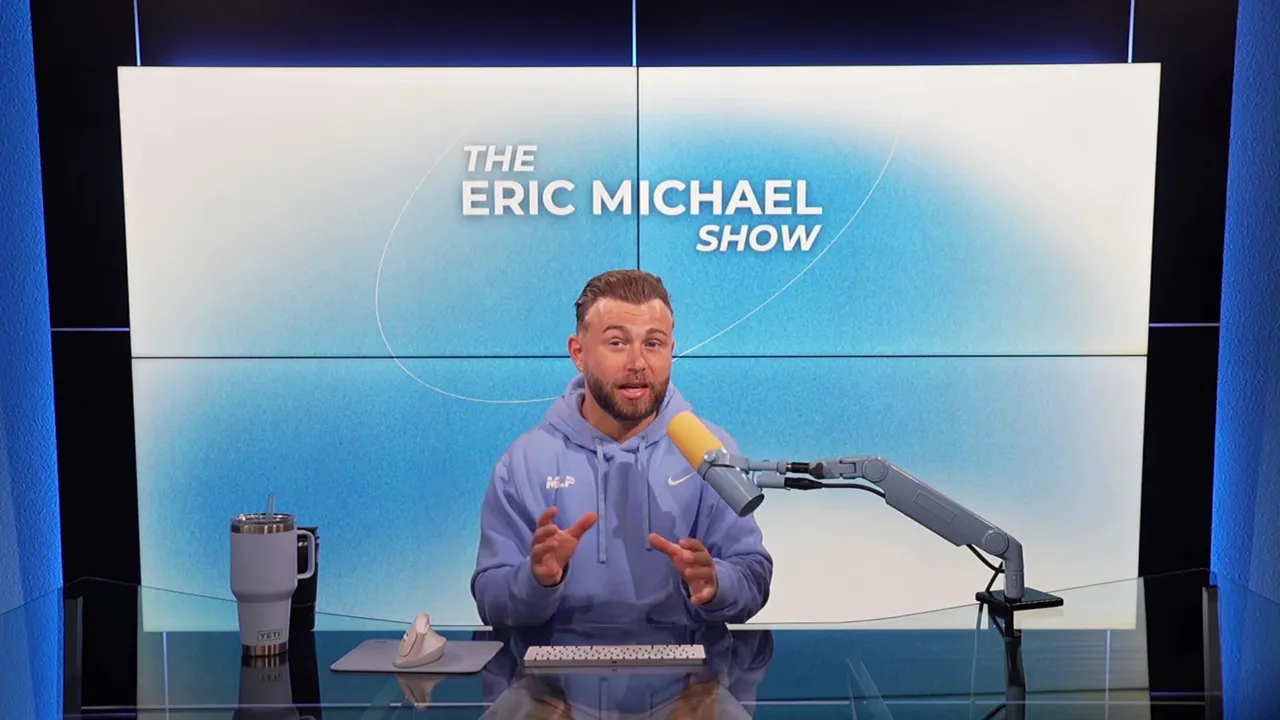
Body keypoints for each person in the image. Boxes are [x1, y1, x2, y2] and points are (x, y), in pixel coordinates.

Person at [469, 269, 773, 627]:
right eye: (617, 343)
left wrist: (717, 584)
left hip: (689, 660)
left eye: (653, 343)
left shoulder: (708, 448)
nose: (637, 363)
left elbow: (752, 575)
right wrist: (537, 580)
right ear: (578, 353)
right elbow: (490, 598)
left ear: (671, 350)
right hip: (555, 663)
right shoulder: (525, 461)